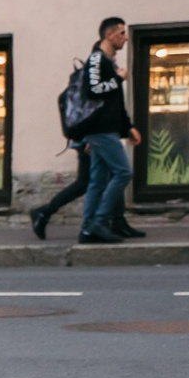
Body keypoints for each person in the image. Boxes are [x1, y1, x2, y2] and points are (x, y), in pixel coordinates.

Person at [65, 17, 146, 246]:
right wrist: (118, 79)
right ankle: (98, 222)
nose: (126, 37)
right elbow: (94, 91)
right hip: (100, 130)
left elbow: (115, 103)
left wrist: (127, 127)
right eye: (122, 33)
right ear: (109, 35)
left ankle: (88, 229)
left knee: (98, 180)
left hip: (107, 129)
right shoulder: (96, 60)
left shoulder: (107, 61)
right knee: (123, 172)